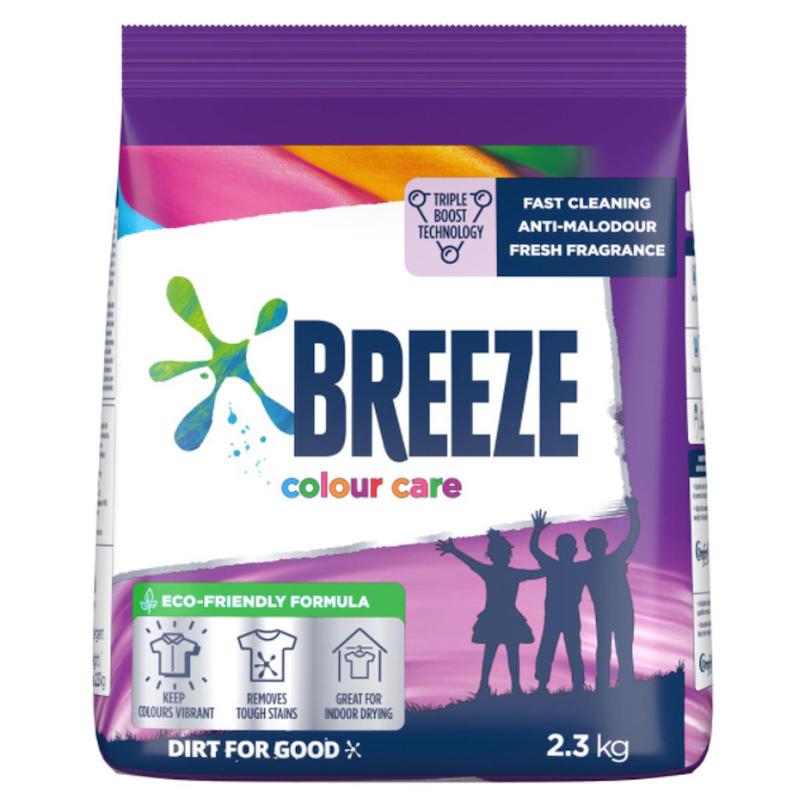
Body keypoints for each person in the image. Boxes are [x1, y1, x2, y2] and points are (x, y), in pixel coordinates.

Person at [436, 529, 543, 697]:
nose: (505, 557)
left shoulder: (497, 572)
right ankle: (500, 687)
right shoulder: (509, 573)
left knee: (498, 653)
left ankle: (502, 687)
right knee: (502, 653)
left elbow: (538, 574)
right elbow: (538, 573)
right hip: (503, 618)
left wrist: (454, 550)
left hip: (499, 617)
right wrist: (454, 551)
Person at [583, 495, 640, 689]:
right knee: (613, 650)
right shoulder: (608, 561)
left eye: (597, 542)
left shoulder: (592, 566)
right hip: (612, 613)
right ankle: (609, 685)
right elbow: (632, 536)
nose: (597, 545)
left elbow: (632, 537)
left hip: (619, 612)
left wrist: (633, 511)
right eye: (595, 542)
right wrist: (633, 512)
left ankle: (618, 684)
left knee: (617, 650)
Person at [529, 509, 586, 692]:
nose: (565, 551)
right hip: (556, 616)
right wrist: (537, 530)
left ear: (574, 551)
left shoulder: (577, 569)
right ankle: (545, 685)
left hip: (566, 616)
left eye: (567, 548)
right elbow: (534, 550)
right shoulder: (558, 567)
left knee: (569, 650)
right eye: (563, 548)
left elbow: (534, 550)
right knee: (551, 649)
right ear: (558, 551)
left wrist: (537, 531)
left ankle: (576, 685)